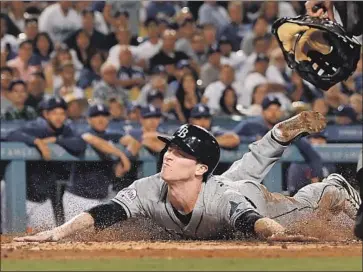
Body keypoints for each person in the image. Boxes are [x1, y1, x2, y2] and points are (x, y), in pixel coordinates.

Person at [13, 111, 361, 242]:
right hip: (220, 179)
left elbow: (254, 222)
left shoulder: (225, 199)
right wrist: (57, 233)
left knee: (302, 204)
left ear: (197, 167)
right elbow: (104, 213)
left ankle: (335, 187)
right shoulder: (150, 187)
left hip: (247, 197)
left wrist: (283, 235)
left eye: (180, 153)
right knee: (245, 165)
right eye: (169, 148)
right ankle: (278, 135)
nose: (168, 155)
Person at [5, 96, 87, 229]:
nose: (58, 117)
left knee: (45, 236)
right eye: (54, 113)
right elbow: (11, 135)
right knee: (11, 233)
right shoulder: (37, 127)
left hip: (45, 200)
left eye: (61, 113)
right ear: (46, 114)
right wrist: (37, 142)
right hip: (22, 195)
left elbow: (80, 144)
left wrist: (56, 140)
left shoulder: (66, 130)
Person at [63, 104, 140, 221]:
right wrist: (120, 154)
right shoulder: (82, 132)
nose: (100, 119)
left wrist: (124, 161)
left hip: (102, 199)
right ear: (89, 119)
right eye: (96, 116)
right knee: (74, 238)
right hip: (77, 198)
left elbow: (134, 142)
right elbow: (92, 140)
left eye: (104, 116)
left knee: (102, 238)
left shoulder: (111, 135)